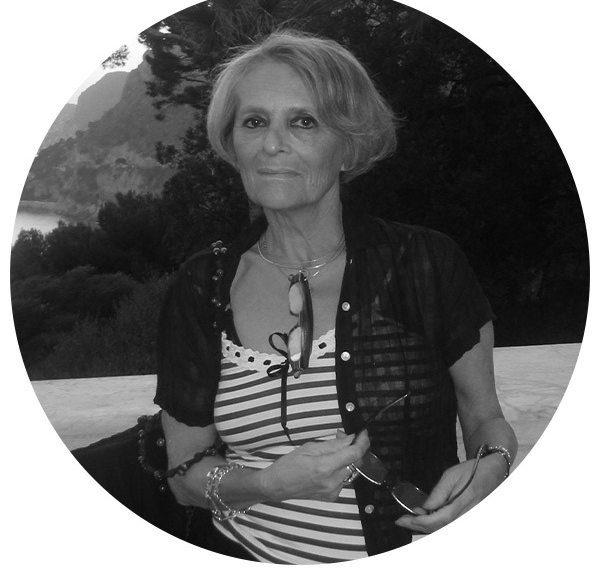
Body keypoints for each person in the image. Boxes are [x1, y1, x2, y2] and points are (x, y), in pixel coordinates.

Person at [75, 29, 517, 564]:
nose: (272, 144)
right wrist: (267, 484)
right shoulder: (203, 285)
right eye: (254, 122)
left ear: (348, 145)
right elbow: (185, 475)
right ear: (232, 142)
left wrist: (491, 466)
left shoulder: (424, 263)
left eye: (303, 121)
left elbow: (485, 418)